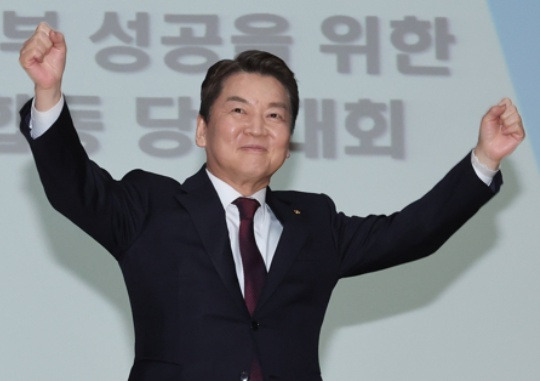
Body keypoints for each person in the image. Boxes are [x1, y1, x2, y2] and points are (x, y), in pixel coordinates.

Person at [18, 23, 525, 381]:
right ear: (202, 128)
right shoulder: (150, 206)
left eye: (275, 116)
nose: (257, 128)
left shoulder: (316, 223)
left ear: (289, 138)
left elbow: (412, 232)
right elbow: (72, 186)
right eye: (238, 110)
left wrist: (483, 158)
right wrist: (48, 92)